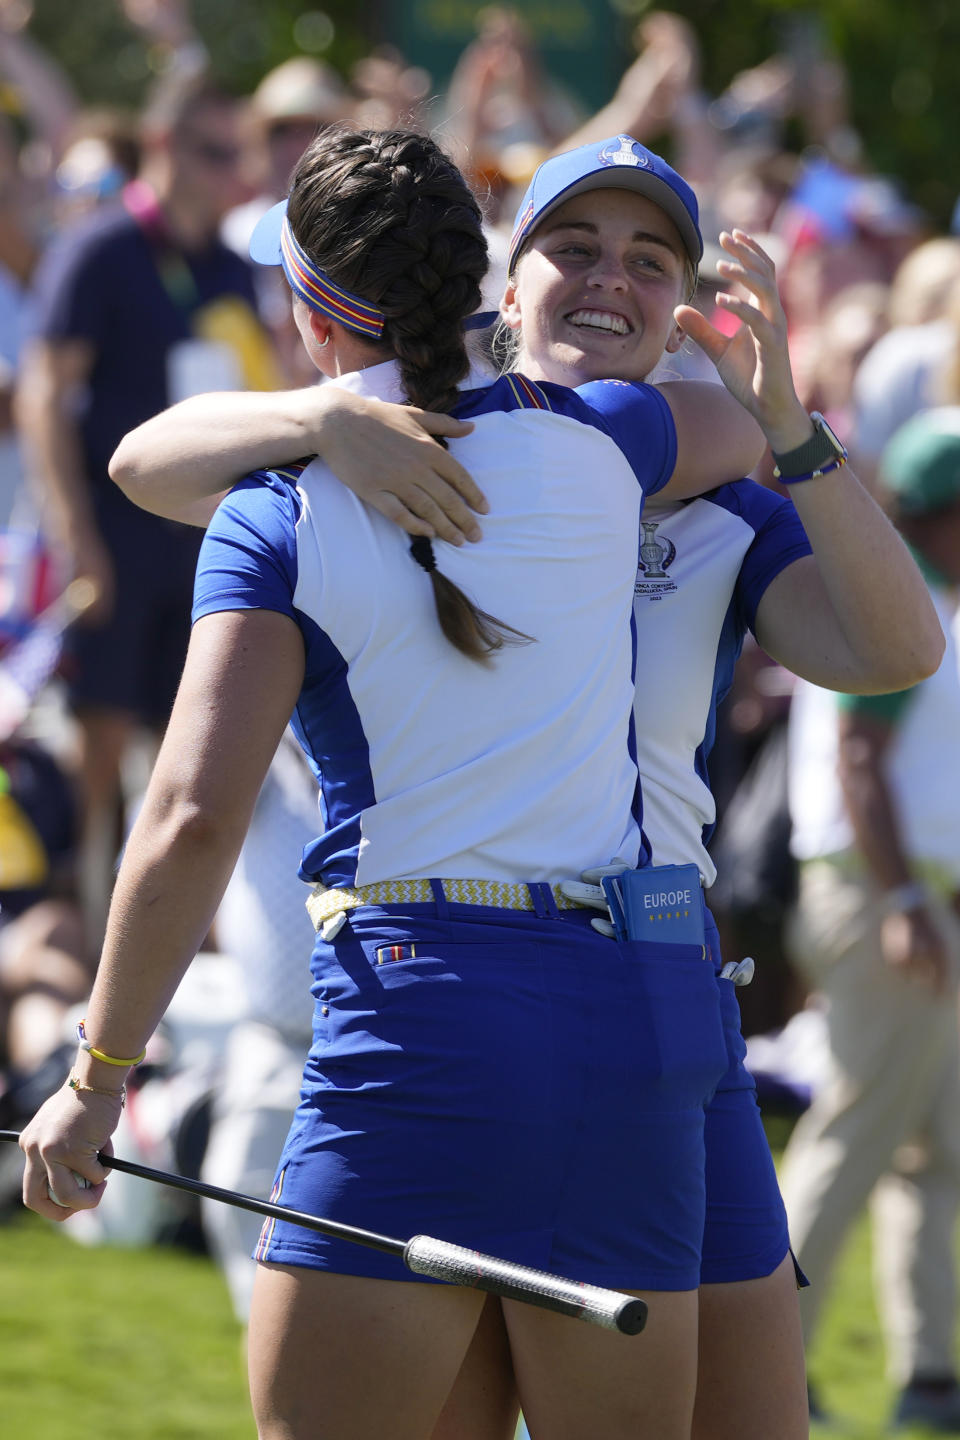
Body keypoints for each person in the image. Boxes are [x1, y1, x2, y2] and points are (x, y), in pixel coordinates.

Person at [108, 133, 942, 1440]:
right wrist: (324, 414)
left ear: (683, 298)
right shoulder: (453, 448)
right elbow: (153, 460)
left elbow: (895, 651)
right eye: (576, 247)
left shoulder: (718, 485)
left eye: (649, 259)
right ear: (506, 278)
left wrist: (791, 424)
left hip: (665, 992)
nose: (611, 280)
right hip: (519, 984)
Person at [14, 70, 274, 946]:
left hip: (207, 546)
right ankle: (75, 948)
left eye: (239, 152)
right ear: (163, 147)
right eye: (214, 151)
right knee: (95, 765)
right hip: (113, 540)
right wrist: (73, 533)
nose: (234, 169)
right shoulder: (103, 248)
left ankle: (181, 962)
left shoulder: (234, 266)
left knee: (195, 769)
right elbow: (44, 396)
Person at [781, 407, 960, 1433]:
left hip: (912, 897)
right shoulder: (897, 596)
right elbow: (860, 761)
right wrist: (903, 900)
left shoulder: (930, 594)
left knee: (931, 1146)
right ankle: (771, 1361)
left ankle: (929, 1372)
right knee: (853, 1137)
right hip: (879, 894)